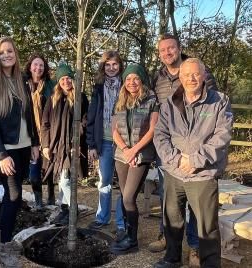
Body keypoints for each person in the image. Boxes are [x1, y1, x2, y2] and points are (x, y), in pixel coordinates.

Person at [153, 58, 233, 268]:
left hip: (203, 175)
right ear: (180, 77)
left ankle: (210, 264)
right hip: (174, 172)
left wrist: (196, 161)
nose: (191, 78)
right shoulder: (170, 103)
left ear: (204, 75)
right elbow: (160, 135)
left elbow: (222, 137)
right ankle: (172, 258)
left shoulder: (219, 101)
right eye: (186, 74)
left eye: (196, 74)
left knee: (207, 227)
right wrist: (177, 159)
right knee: (172, 220)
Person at [149, 33, 217, 266]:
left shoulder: (199, 74)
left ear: (179, 49)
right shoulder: (156, 78)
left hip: (199, 162)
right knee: (172, 209)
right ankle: (169, 247)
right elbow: (158, 125)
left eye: (171, 48)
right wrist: (175, 159)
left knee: (199, 213)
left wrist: (195, 159)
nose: (167, 53)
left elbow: (216, 123)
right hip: (170, 159)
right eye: (162, 50)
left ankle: (196, 248)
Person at [0, 37, 39, 245]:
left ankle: (2, 232)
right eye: (2, 52)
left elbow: (30, 113)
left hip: (24, 146)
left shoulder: (21, 79)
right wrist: (1, 154)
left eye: (10, 51)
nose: (7, 55)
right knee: (13, 194)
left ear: (16, 54)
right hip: (6, 150)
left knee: (14, 194)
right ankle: (4, 240)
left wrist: (35, 142)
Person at [110, 64, 159, 254]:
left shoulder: (151, 99)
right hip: (122, 154)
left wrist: (134, 150)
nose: (132, 82)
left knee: (129, 196)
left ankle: (132, 241)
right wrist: (125, 149)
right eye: (128, 79)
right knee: (124, 197)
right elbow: (113, 130)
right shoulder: (120, 100)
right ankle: (127, 234)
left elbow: (153, 129)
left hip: (141, 154)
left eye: (135, 78)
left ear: (141, 80)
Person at [41, 63, 88, 226]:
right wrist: (45, 145)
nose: (66, 81)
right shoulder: (52, 99)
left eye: (68, 77)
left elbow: (84, 122)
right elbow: (45, 123)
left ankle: (73, 211)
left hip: (71, 146)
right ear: (58, 81)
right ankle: (65, 210)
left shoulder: (80, 98)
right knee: (61, 178)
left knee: (64, 180)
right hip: (56, 146)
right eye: (62, 78)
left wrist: (77, 141)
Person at [86, 50, 125, 238]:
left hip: (125, 143)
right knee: (105, 182)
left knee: (125, 185)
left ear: (120, 65)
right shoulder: (98, 88)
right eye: (107, 64)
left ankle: (121, 222)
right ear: (103, 66)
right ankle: (102, 217)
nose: (111, 68)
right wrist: (91, 144)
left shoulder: (127, 84)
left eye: (115, 64)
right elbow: (91, 116)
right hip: (105, 142)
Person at [24, 53, 55, 208]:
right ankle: (38, 200)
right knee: (34, 168)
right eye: (35, 64)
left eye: (41, 65)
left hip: (47, 131)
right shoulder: (23, 84)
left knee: (49, 166)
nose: (38, 68)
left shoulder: (50, 85)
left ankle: (51, 196)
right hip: (29, 133)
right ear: (30, 67)